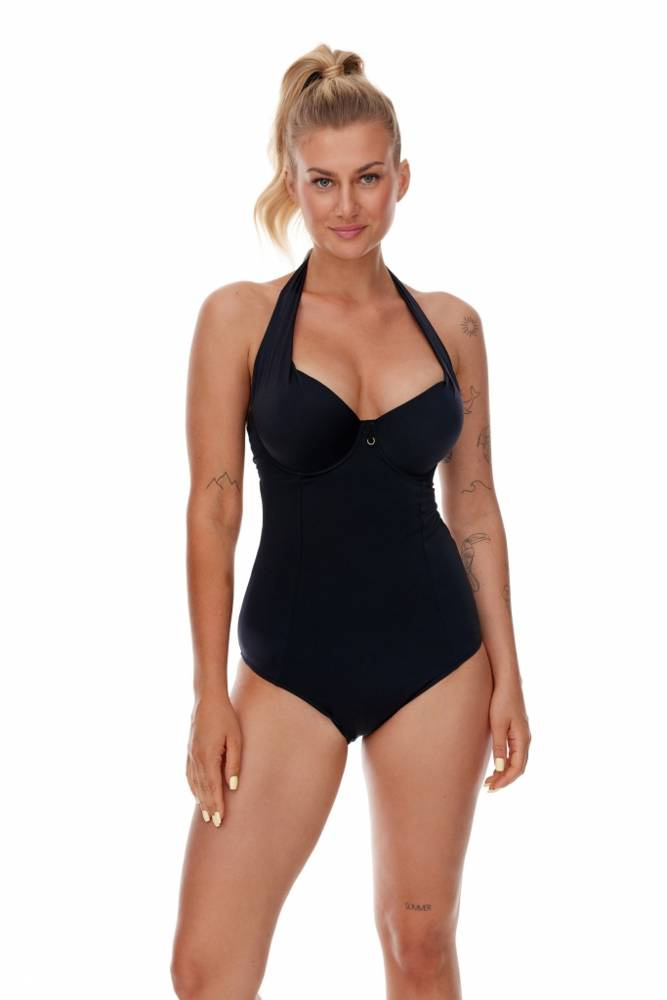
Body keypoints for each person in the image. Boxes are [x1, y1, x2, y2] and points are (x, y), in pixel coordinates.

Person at [170, 43, 531, 1000]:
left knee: (419, 945)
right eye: (322, 181)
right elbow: (213, 507)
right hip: (291, 664)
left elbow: (475, 504)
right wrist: (209, 694)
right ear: (291, 181)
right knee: (204, 970)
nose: (346, 205)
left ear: (401, 177)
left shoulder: (451, 326)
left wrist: (508, 675)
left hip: (437, 659)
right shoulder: (239, 319)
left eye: (368, 178)